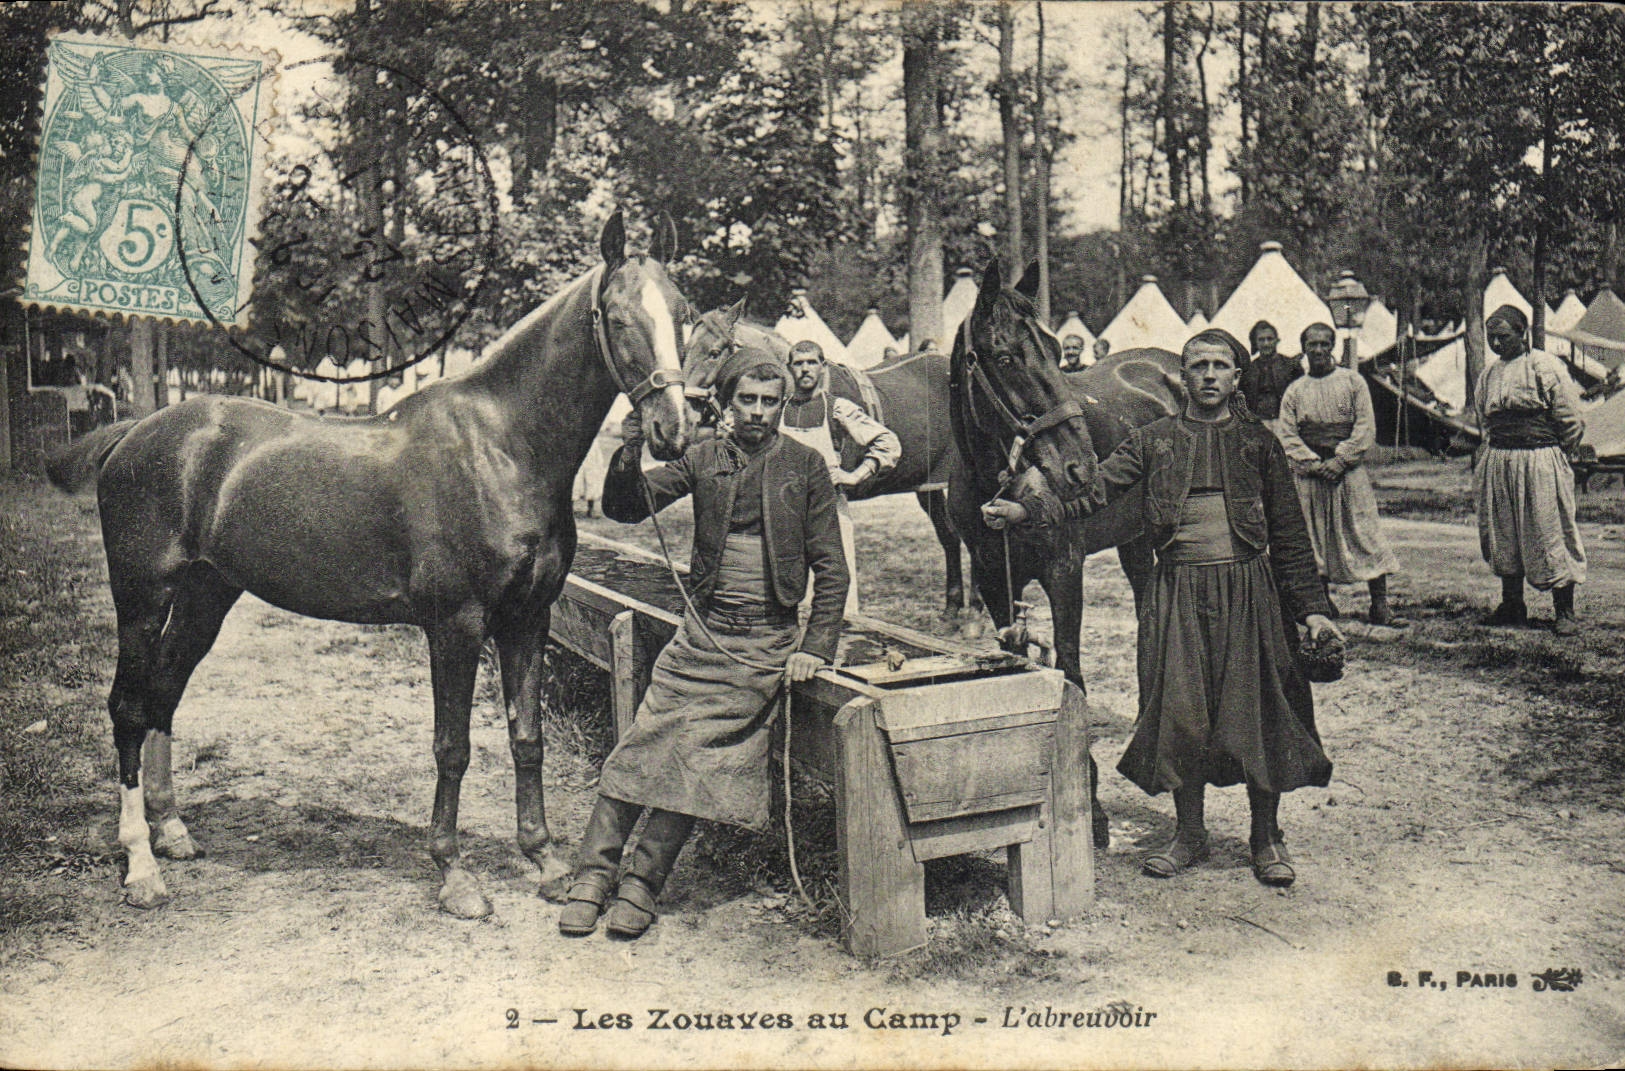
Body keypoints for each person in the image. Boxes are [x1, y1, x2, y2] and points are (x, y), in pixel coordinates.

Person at [981, 328, 1341, 887]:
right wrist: (1026, 513)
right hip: (1176, 592)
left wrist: (1313, 609)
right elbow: (1093, 492)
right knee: (1180, 712)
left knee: (1260, 711)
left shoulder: (1260, 444)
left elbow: (1290, 534)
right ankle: (1188, 833)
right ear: (1185, 375)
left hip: (1248, 591)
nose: (1209, 375)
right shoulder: (1153, 441)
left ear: (1236, 377)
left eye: (1221, 366)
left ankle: (1266, 836)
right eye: (1198, 365)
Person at [557, 351, 848, 941]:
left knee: (698, 756)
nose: (760, 413)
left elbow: (833, 570)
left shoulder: (806, 465)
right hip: (700, 635)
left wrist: (814, 645)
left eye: (771, 402)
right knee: (644, 741)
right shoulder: (704, 457)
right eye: (749, 400)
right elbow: (626, 507)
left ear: (783, 406)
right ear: (727, 402)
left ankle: (642, 884)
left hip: (763, 648)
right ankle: (591, 875)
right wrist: (629, 450)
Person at [1277, 323, 1406, 626]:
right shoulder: (1295, 390)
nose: (1318, 350)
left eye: (1324, 344)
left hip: (1347, 474)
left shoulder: (1353, 382)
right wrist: (1312, 462)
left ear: (1332, 346)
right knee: (1314, 537)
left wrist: (1341, 459)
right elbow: (1287, 434)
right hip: (1312, 476)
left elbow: (1365, 427)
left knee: (1364, 534)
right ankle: (1322, 604)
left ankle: (1380, 605)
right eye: (1312, 345)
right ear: (1304, 348)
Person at [1475, 304, 1586, 635]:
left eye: (1503, 337)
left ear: (1522, 333)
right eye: (1491, 337)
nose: (1496, 344)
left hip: (1539, 459)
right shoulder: (1489, 374)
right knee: (1505, 533)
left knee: (1548, 529)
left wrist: (1556, 452)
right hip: (1500, 460)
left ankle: (1564, 610)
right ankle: (1512, 604)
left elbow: (1571, 419)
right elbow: (1484, 419)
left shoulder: (1544, 365)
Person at [782, 339, 901, 614]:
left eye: (812, 362)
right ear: (789, 368)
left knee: (835, 598)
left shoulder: (837, 408)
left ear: (823, 367)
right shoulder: (779, 409)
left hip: (829, 512)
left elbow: (888, 442)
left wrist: (857, 475)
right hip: (786, 513)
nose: (805, 369)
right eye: (798, 364)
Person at [1238, 319, 1301, 426]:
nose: (1266, 344)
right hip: (1257, 424)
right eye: (1261, 340)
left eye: (1269, 339)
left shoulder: (1290, 366)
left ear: (1277, 340)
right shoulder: (1248, 370)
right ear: (1256, 343)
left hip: (1286, 422)